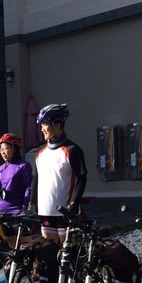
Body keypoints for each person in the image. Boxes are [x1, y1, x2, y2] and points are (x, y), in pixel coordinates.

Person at [34, 103, 87, 243]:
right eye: (41, 125)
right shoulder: (40, 152)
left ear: (57, 125)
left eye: (45, 124)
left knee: (68, 252)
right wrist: (31, 202)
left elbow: (82, 178)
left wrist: (74, 204)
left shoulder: (72, 150)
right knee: (49, 252)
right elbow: (36, 178)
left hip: (65, 211)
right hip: (45, 211)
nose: (42, 129)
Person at [0, 133, 33, 245]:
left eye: (6, 149)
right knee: (10, 241)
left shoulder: (24, 166)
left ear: (14, 148)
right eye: (1, 149)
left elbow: (28, 188)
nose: (2, 152)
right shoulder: (1, 168)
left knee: (25, 243)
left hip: (18, 210)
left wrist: (25, 207)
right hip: (3, 210)